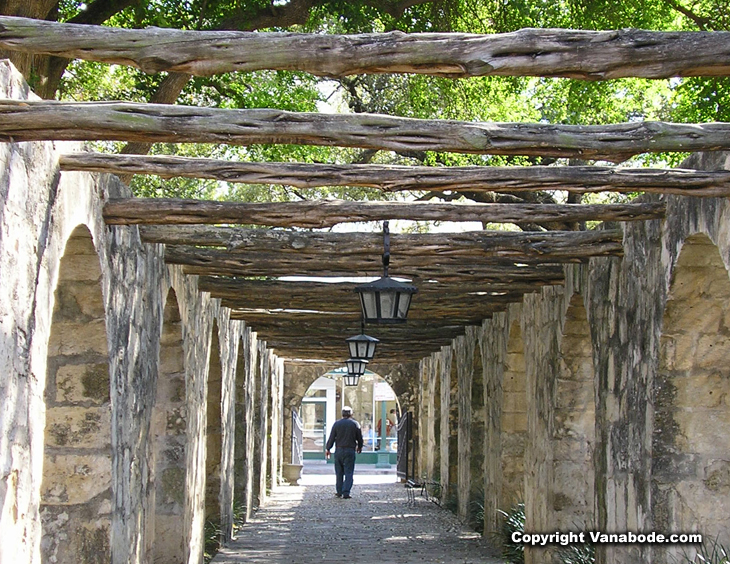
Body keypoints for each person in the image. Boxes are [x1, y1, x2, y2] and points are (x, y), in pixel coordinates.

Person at [325, 405, 363, 499]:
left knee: (339, 472)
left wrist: (328, 448)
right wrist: (360, 447)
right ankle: (346, 492)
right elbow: (359, 438)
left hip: (339, 450)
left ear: (342, 414)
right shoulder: (355, 424)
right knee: (349, 472)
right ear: (351, 414)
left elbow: (332, 437)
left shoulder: (337, 424)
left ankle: (339, 491)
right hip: (350, 450)